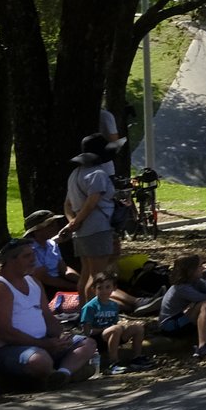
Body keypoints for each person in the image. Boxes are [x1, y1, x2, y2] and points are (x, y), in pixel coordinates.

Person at [0, 239, 99, 384]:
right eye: (27, 256)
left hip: (42, 344)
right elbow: (4, 332)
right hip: (8, 350)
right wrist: (44, 344)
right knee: (40, 360)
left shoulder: (34, 282)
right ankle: (62, 373)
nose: (33, 259)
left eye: (33, 254)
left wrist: (60, 337)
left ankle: (62, 374)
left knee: (88, 344)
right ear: (11, 260)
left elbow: (47, 317)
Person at [62, 130, 124, 303]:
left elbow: (67, 204)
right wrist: (77, 221)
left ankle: (84, 313)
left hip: (81, 232)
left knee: (85, 275)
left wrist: (72, 223)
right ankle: (94, 315)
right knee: (98, 277)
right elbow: (92, 201)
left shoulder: (74, 175)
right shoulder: (98, 174)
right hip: (97, 229)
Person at [158, 254, 206, 359]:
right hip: (171, 325)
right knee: (205, 304)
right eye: (200, 266)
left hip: (183, 319)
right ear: (190, 270)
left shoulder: (196, 281)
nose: (203, 268)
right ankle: (203, 346)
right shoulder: (181, 288)